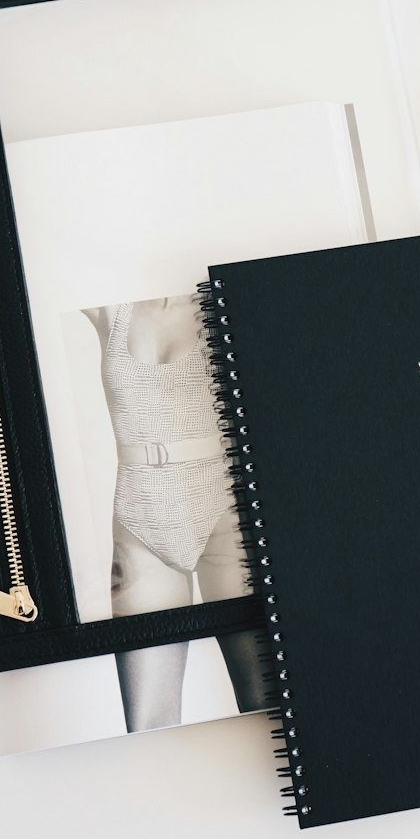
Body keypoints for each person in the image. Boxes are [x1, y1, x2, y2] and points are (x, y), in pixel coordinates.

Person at [83, 294, 265, 730]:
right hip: (138, 517)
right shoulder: (110, 308)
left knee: (264, 705)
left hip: (228, 515)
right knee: (148, 724)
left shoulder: (226, 297)